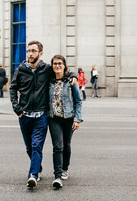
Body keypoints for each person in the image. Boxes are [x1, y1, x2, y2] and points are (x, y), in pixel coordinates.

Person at [9, 41, 77, 189]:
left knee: (36, 146)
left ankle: (32, 175)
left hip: (41, 115)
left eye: (33, 51)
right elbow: (13, 89)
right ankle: (38, 168)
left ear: (40, 53)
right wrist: (17, 109)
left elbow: (62, 71)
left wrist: (73, 75)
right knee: (29, 148)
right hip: (24, 115)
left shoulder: (46, 69)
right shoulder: (20, 69)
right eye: (28, 51)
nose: (30, 54)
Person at [48, 55, 83, 188]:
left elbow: (78, 101)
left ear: (64, 65)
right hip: (53, 118)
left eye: (60, 63)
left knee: (66, 144)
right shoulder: (49, 81)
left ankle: (64, 169)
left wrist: (77, 119)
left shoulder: (71, 81)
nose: (57, 66)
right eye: (55, 64)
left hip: (69, 118)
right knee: (58, 146)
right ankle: (57, 176)